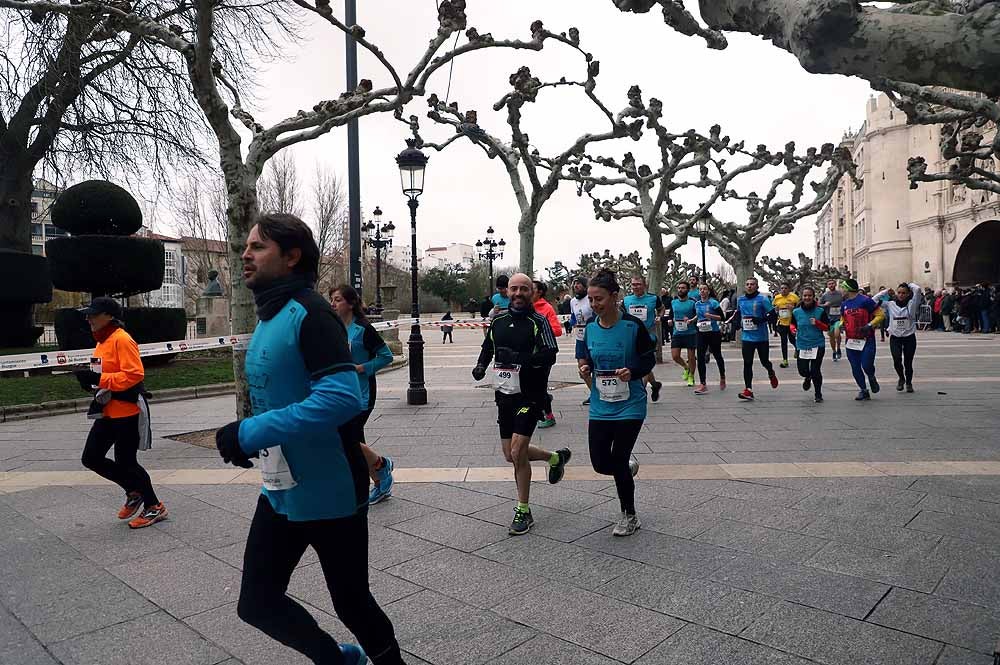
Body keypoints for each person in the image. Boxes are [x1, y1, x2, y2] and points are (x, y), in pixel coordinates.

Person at [215, 213, 404, 665]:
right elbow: (279, 393)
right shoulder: (271, 313)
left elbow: (340, 399)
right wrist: (254, 443)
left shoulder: (312, 314)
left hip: (330, 490)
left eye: (257, 247)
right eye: (247, 246)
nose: (245, 254)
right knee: (257, 603)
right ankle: (338, 660)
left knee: (352, 603)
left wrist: (249, 431)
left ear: (292, 256)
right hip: (280, 486)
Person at [472, 273, 570, 535]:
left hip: (530, 395)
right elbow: (487, 346)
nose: (517, 294)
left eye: (523, 289)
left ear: (532, 292)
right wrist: (481, 365)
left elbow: (550, 354)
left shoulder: (538, 321)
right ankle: (554, 457)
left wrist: (521, 358)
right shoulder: (498, 321)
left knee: (517, 452)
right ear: (508, 292)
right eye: (514, 289)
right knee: (510, 454)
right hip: (504, 395)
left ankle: (523, 511)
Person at [577, 269, 653, 537]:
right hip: (601, 404)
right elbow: (585, 357)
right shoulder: (589, 328)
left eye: (599, 299)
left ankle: (629, 515)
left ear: (614, 296)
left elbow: (648, 359)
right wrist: (585, 368)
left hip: (630, 404)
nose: (595, 305)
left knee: (618, 459)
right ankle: (626, 468)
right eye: (591, 299)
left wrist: (632, 370)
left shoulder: (633, 326)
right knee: (600, 463)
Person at [77, 296, 164, 529]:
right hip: (107, 411)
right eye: (87, 314)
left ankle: (154, 506)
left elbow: (134, 375)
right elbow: (103, 373)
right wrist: (90, 381)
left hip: (126, 411)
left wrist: (100, 378)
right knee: (91, 458)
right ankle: (133, 491)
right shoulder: (102, 341)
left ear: (109, 317)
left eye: (93, 314)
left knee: (127, 462)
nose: (88, 318)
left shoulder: (122, 339)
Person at [330, 285, 397, 506]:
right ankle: (377, 480)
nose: (333, 303)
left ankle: (380, 466)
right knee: (353, 440)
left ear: (350, 303)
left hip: (362, 393)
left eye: (337, 299)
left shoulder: (364, 329)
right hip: (340, 392)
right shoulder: (334, 328)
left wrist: (362, 368)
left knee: (349, 438)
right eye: (331, 299)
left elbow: (386, 356)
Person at [839, 278, 885, 400]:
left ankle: (871, 376)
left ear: (848, 288)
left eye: (842, 287)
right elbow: (843, 318)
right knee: (855, 367)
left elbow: (880, 315)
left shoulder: (866, 301)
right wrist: (840, 325)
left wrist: (869, 325)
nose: (841, 290)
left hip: (867, 339)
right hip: (851, 341)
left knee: (866, 364)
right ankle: (863, 390)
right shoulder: (844, 304)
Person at [735, 277, 779, 401]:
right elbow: (738, 313)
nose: (749, 286)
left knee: (764, 361)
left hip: (761, 337)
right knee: (747, 363)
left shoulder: (763, 299)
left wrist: (760, 320)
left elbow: (772, 315)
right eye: (747, 284)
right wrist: (737, 323)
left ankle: (770, 371)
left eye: (752, 284)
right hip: (747, 337)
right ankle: (748, 389)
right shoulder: (741, 299)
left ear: (757, 286)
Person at [623, 275, 663, 400]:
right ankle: (655, 385)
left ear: (644, 285)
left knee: (644, 362)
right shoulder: (626, 300)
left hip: (649, 336)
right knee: (641, 364)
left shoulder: (653, 298)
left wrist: (659, 317)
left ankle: (641, 391)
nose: (635, 287)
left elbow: (661, 309)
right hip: (632, 336)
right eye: (633, 284)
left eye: (638, 284)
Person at [532, 279, 563, 429]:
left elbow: (557, 330)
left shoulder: (546, 308)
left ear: (539, 292)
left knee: (539, 385)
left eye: (531, 288)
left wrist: (540, 330)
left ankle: (548, 416)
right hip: (527, 354)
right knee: (531, 386)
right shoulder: (522, 306)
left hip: (544, 353)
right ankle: (542, 402)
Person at [790, 287, 830, 403]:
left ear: (813, 297)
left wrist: (817, 323)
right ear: (802, 297)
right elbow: (792, 324)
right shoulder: (796, 312)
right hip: (802, 344)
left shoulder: (820, 311)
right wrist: (793, 329)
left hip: (817, 344)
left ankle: (818, 393)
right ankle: (807, 377)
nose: (807, 298)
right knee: (802, 370)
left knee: (815, 370)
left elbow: (828, 327)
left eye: (809, 296)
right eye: (805, 296)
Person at [881, 282, 922, 393]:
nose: (901, 295)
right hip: (895, 338)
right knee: (896, 360)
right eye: (899, 292)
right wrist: (885, 291)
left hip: (909, 337)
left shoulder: (912, 303)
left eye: (904, 293)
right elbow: (873, 301)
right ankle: (901, 378)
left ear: (908, 294)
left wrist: (909, 284)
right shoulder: (890, 304)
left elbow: (917, 289)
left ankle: (908, 382)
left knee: (908, 362)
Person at [693, 283, 726, 395]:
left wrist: (711, 316)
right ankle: (703, 383)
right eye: (700, 289)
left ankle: (722, 376)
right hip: (701, 332)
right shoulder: (697, 304)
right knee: (700, 357)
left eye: (704, 289)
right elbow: (699, 315)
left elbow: (722, 317)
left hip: (713, 333)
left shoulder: (713, 303)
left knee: (717, 355)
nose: (702, 291)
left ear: (708, 291)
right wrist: (691, 320)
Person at [569, 276, 595, 405]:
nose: (576, 286)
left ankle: (601, 393)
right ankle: (594, 393)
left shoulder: (590, 299)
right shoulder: (572, 301)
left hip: (592, 337)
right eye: (574, 284)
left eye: (579, 284)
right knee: (582, 368)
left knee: (594, 367)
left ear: (585, 286)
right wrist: (572, 323)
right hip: (580, 338)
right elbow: (573, 316)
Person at [668, 281, 698, 389]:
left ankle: (691, 376)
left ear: (688, 290)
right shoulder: (673, 302)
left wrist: (691, 320)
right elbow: (671, 314)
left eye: (683, 288)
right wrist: (670, 320)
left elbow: (698, 315)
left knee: (691, 357)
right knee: (675, 356)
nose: (680, 290)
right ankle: (686, 368)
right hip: (677, 332)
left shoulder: (693, 302)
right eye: (679, 288)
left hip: (690, 332)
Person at [772, 282, 799, 368]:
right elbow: (774, 309)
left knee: (792, 339)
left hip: (792, 323)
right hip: (781, 322)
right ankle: (785, 360)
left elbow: (800, 308)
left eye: (785, 288)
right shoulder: (777, 298)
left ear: (789, 289)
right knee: (783, 341)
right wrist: (776, 310)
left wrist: (793, 308)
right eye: (782, 288)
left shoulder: (794, 297)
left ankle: (797, 348)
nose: (783, 290)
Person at [819, 280, 844, 361]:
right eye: (829, 284)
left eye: (832, 283)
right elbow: (819, 306)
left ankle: (839, 348)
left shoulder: (840, 294)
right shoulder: (825, 295)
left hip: (839, 318)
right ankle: (834, 351)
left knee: (837, 334)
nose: (831, 285)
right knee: (831, 336)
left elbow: (846, 302)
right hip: (829, 318)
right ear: (827, 286)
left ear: (835, 284)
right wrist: (825, 305)